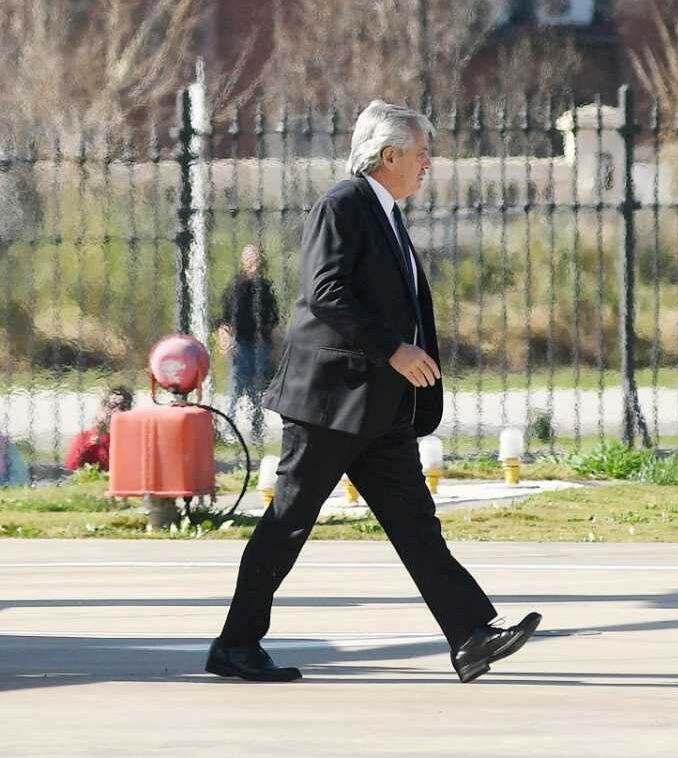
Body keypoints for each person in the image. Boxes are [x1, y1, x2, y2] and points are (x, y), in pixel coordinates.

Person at [207, 100, 541, 683]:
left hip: (375, 407)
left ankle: (469, 636)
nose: (427, 164)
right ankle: (236, 644)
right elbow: (325, 294)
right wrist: (395, 348)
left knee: (415, 521)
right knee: (288, 520)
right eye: (420, 154)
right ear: (389, 156)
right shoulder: (345, 205)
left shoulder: (385, 213)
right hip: (332, 402)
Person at [216, 243, 280, 442]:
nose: (253, 262)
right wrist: (225, 338)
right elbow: (224, 318)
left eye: (256, 258)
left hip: (261, 343)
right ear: (244, 261)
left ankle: (257, 429)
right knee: (236, 386)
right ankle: (229, 430)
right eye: (249, 258)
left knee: (257, 389)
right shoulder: (236, 287)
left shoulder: (266, 288)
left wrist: (276, 345)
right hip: (241, 343)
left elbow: (273, 319)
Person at [64, 386, 134, 472]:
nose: (114, 412)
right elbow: (71, 467)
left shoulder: (129, 441)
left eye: (122, 408)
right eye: (110, 406)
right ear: (100, 410)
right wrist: (89, 445)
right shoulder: (84, 438)